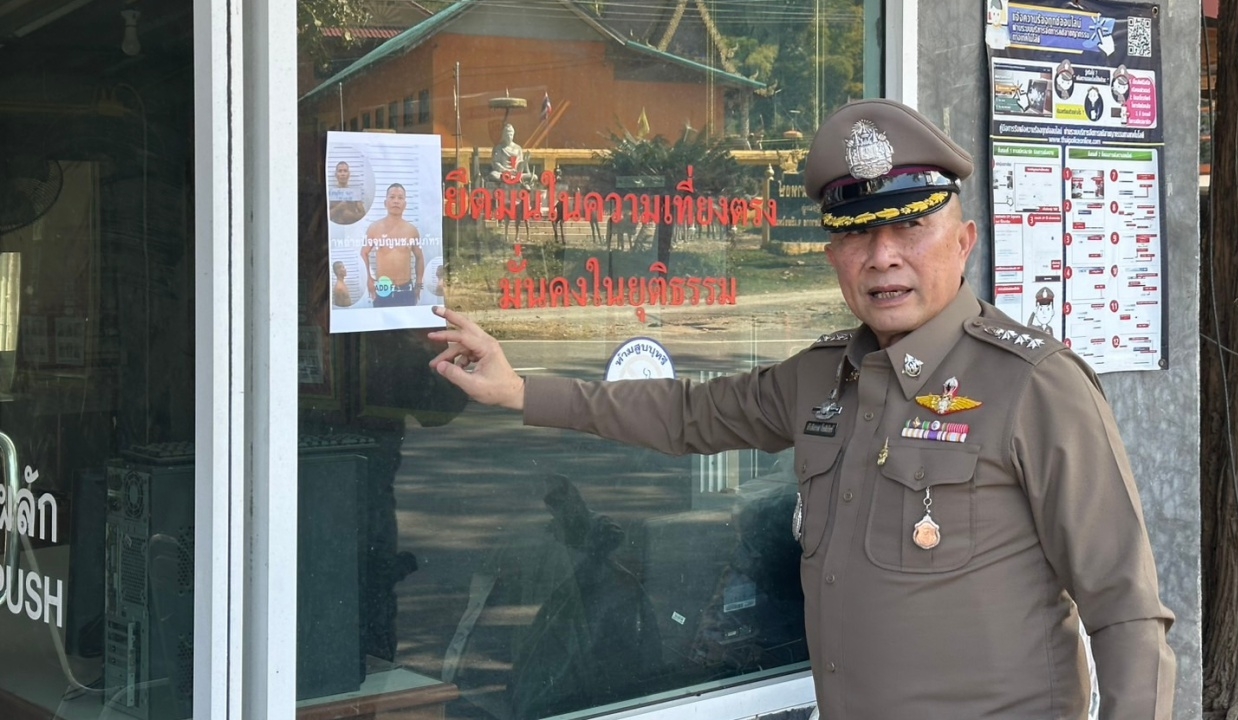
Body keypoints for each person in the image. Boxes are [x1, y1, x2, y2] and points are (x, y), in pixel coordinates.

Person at [427, 99, 1175, 718]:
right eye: (858, 234)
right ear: (833, 259)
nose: (883, 256)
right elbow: (688, 414)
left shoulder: (1035, 386)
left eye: (910, 226)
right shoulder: (823, 376)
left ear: (964, 243)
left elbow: (1127, 610)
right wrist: (520, 389)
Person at [361, 183, 425, 307]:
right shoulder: (374, 228)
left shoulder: (411, 230)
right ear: (385, 203)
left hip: (406, 287)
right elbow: (364, 253)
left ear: (405, 204)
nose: (396, 201)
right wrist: (368, 278)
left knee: (407, 319)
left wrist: (419, 283)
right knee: (381, 318)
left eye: (400, 198)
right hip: (383, 287)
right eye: (392, 197)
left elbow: (419, 257)